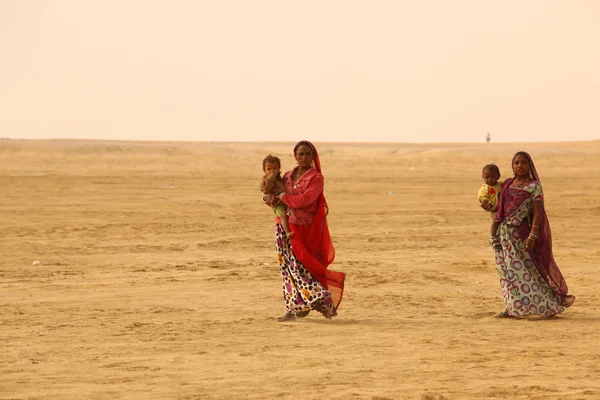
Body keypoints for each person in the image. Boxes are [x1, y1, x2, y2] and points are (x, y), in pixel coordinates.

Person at [262, 140, 345, 321]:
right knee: (287, 269)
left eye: (308, 154)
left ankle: (322, 300)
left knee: (302, 269)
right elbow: (273, 197)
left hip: (305, 230)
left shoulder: (316, 178)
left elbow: (303, 200)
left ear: (313, 156)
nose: (304, 157)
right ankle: (293, 308)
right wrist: (270, 199)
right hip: (284, 228)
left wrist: (282, 197)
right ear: (295, 156)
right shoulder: (288, 175)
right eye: (301, 154)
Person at [489, 151, 575, 318]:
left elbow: (538, 213)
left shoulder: (534, 187)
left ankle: (548, 307)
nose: (519, 166)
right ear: (512, 166)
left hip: (521, 236)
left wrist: (533, 235)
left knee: (528, 271)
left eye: (523, 163)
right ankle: (512, 307)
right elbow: (498, 208)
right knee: (506, 271)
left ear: (530, 166)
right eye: (516, 163)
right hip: (504, 235)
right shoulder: (507, 183)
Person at [260, 154, 293, 238]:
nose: (272, 171)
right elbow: (266, 189)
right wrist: (270, 178)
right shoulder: (265, 180)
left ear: (279, 169)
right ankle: (287, 232)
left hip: (284, 202)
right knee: (283, 215)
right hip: (277, 204)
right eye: (269, 169)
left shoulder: (280, 179)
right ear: (264, 170)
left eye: (275, 168)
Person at [478, 164, 502, 248]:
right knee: (495, 220)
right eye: (487, 177)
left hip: (502, 208)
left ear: (498, 176)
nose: (490, 179)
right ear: (483, 177)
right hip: (494, 209)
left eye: (492, 176)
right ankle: (493, 237)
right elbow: (482, 197)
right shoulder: (485, 188)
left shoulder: (501, 185)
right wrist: (489, 204)